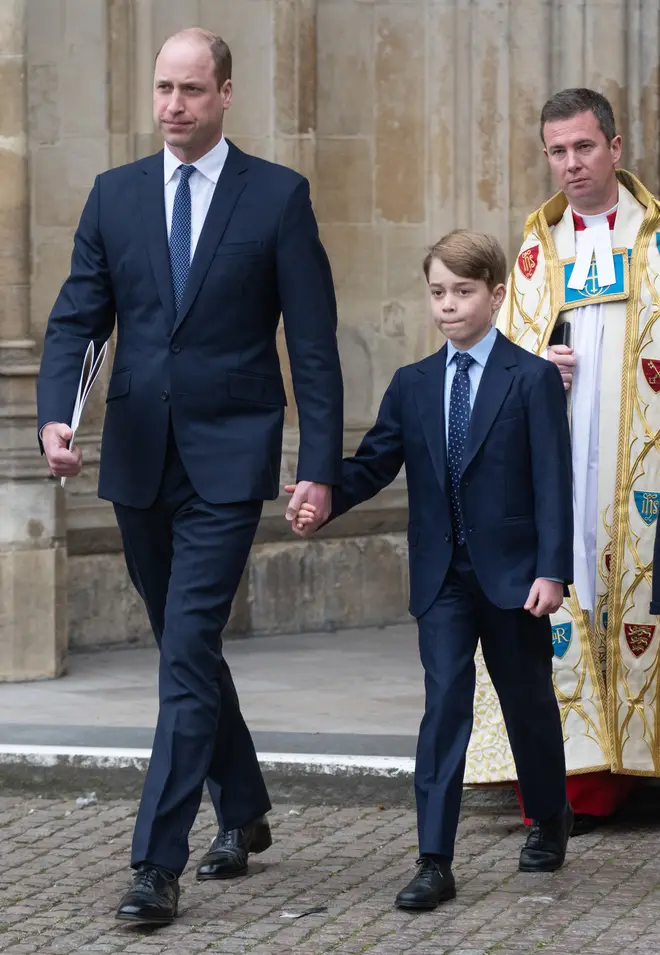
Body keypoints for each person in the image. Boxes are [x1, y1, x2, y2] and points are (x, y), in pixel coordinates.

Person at [37, 28, 343, 924]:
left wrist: (316, 468)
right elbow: (77, 320)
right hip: (136, 457)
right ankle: (243, 807)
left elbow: (314, 350)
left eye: (192, 91)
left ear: (226, 95)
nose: (174, 106)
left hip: (227, 459)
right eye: (164, 89)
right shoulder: (114, 194)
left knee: (181, 649)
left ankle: (154, 863)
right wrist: (60, 411)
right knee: (190, 644)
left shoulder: (279, 198)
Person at [288, 230, 574, 910]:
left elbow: (552, 482)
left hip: (512, 576)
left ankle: (550, 814)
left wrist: (552, 570)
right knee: (444, 705)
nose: (448, 305)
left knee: (526, 703)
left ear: (496, 294)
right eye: (438, 292)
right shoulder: (413, 384)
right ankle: (434, 859)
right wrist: (323, 495)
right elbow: (375, 461)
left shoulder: (529, 378)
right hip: (441, 575)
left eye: (463, 291)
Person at [467, 88, 660, 834]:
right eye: (557, 151)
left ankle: (638, 765)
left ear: (615, 147)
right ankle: (575, 779)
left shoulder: (654, 241)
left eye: (584, 147)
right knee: (566, 593)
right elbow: (489, 365)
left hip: (642, 470)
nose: (571, 164)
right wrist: (533, 370)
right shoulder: (531, 256)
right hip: (562, 466)